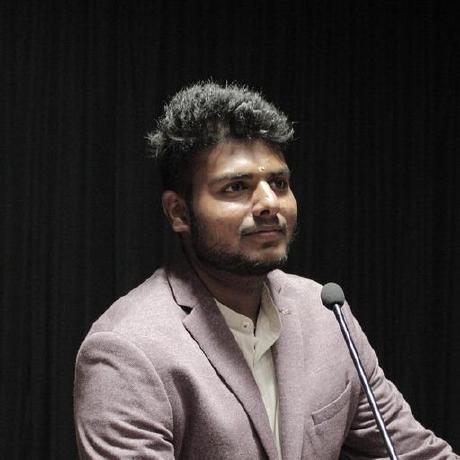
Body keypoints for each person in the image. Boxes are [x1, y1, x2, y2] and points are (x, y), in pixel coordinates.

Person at [74, 82, 458, 459]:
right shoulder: (127, 351)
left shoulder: (325, 313)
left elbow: (415, 453)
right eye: (236, 187)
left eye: (279, 182)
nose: (268, 203)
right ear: (179, 212)